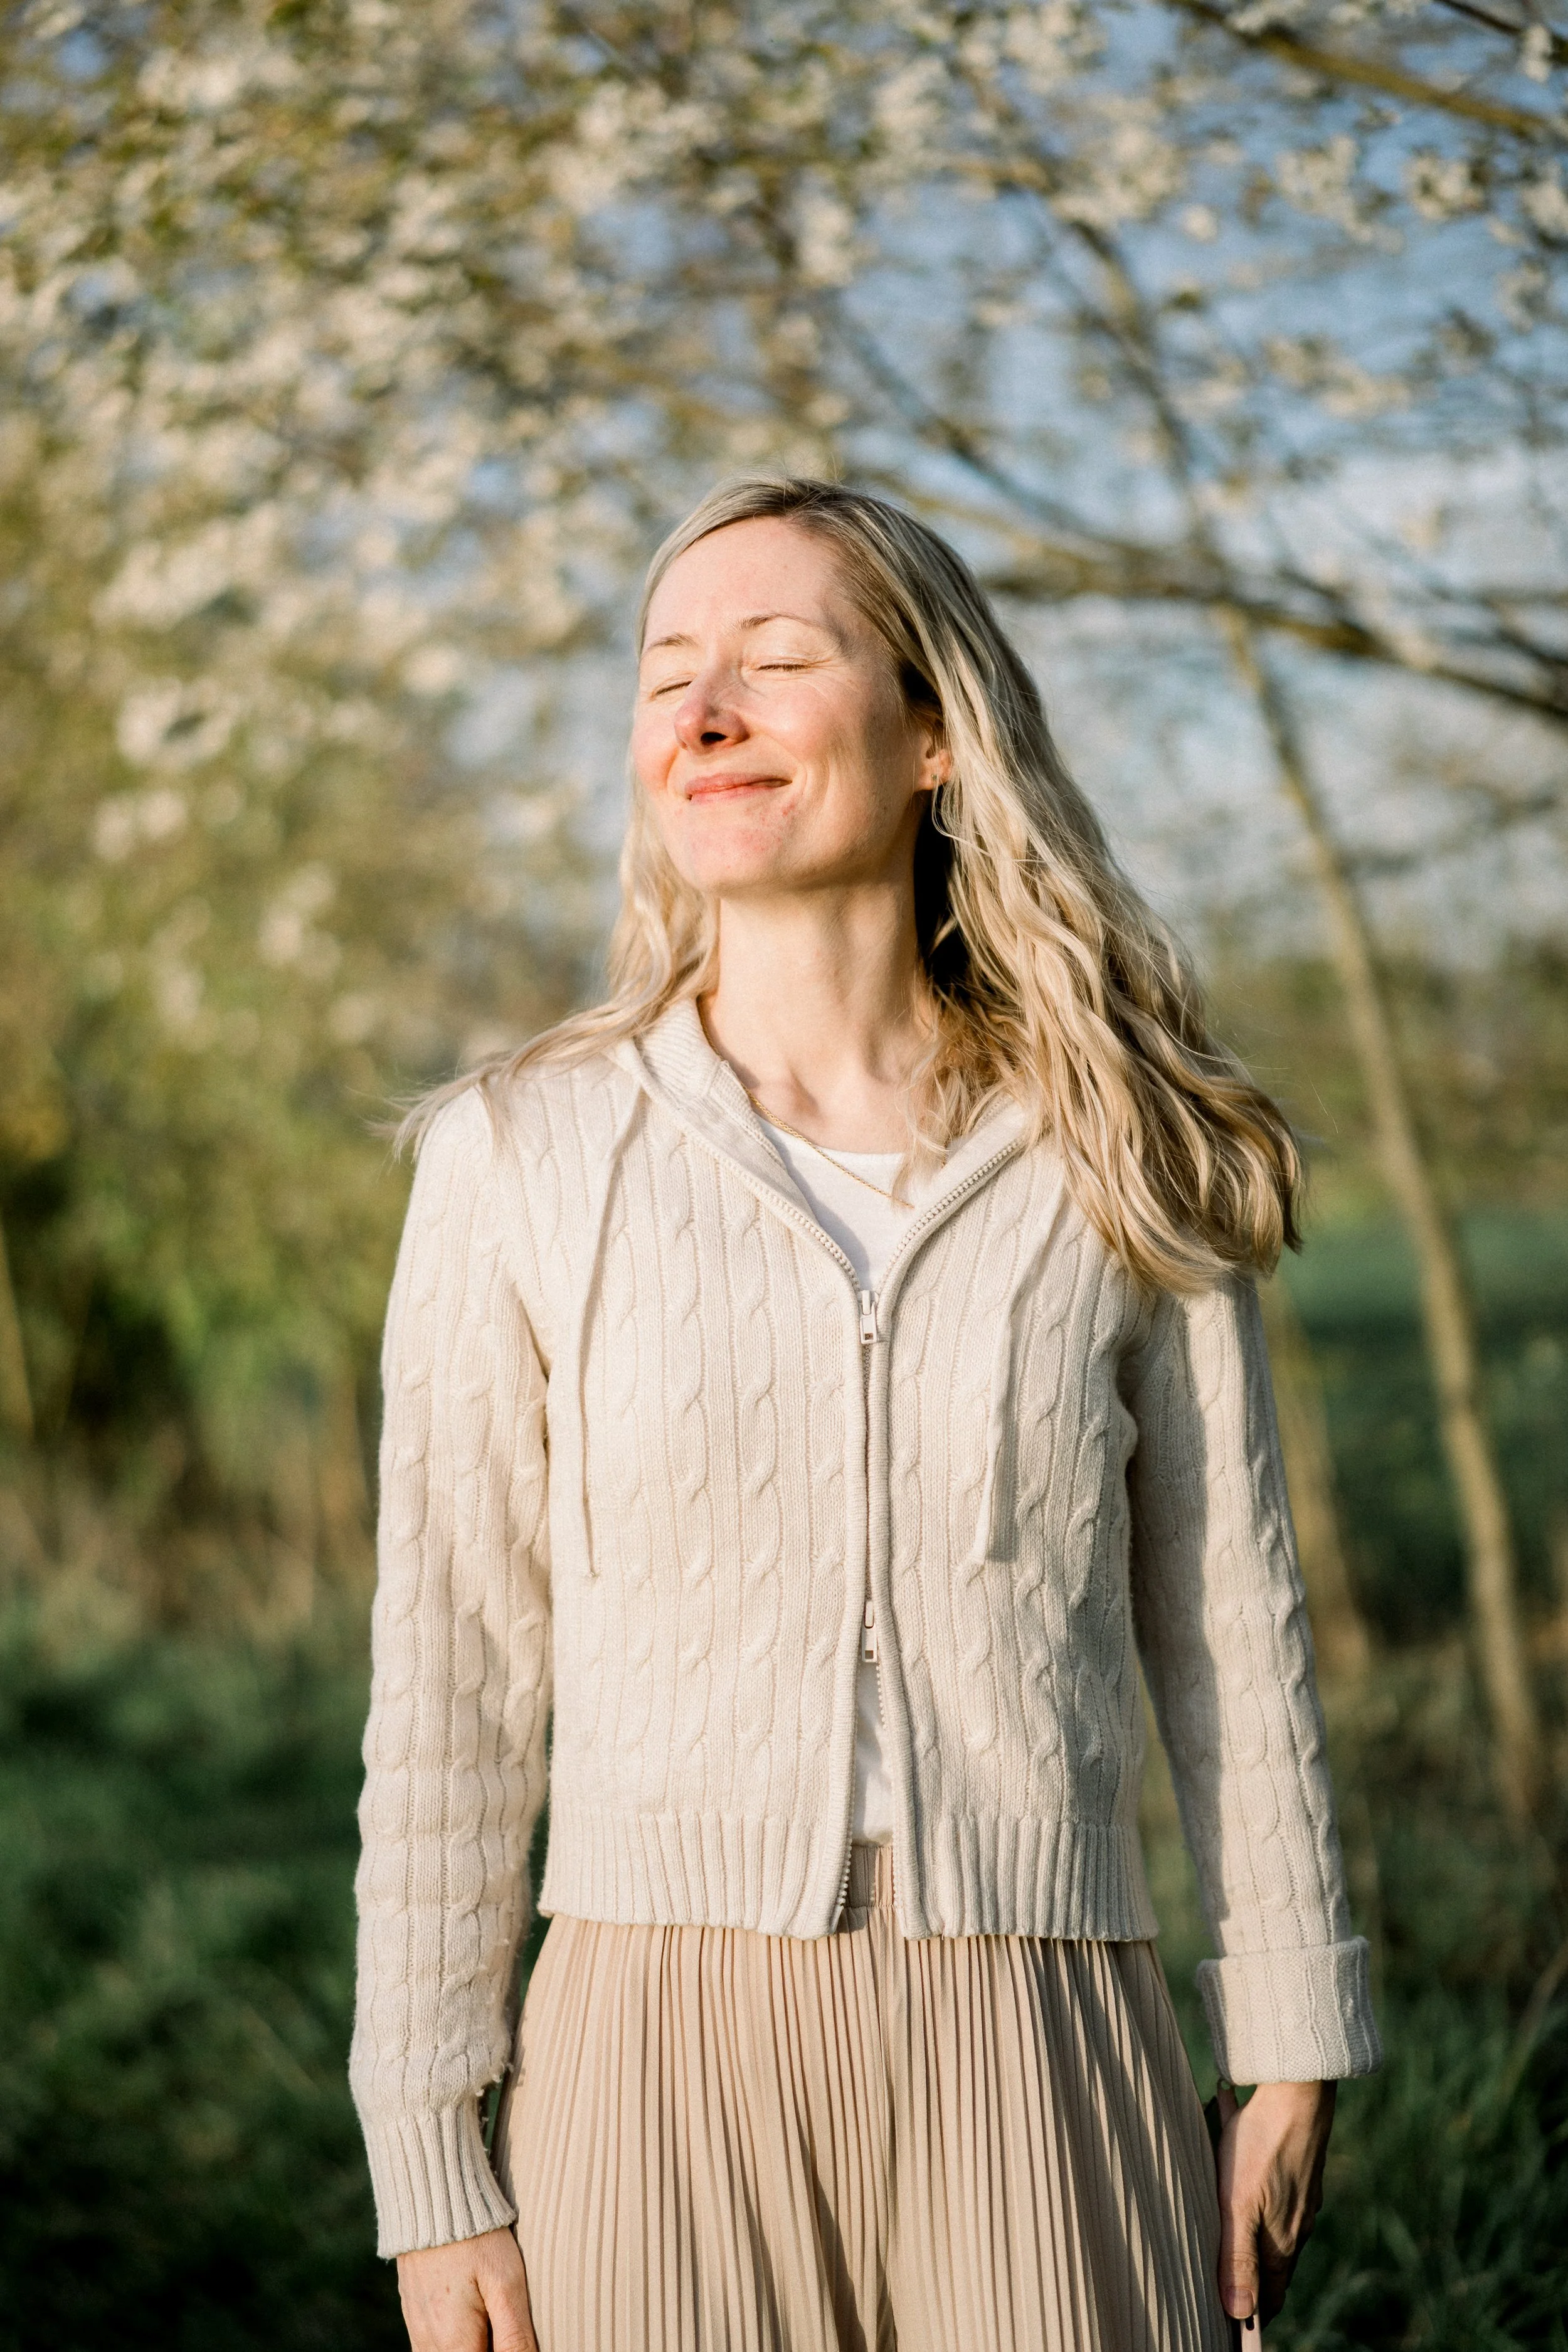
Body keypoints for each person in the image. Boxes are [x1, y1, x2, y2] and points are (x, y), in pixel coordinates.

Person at [351, 475, 1382, 2352]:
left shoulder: (1110, 1156)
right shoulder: (518, 1153)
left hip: (1044, 2024)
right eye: (667, 674)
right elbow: (453, 1685)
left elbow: (1232, 1617)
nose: (704, 712)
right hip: (645, 2055)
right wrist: (431, 2152)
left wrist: (1292, 2038)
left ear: (930, 733)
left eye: (774, 657)